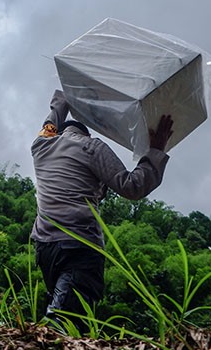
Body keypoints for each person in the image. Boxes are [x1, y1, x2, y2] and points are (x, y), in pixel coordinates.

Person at [30, 89, 174, 332]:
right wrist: (156, 150)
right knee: (64, 319)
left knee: (69, 315)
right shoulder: (91, 147)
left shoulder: (41, 145)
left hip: (45, 248)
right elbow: (132, 186)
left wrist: (69, 93)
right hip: (79, 247)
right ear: (85, 132)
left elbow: (54, 115)